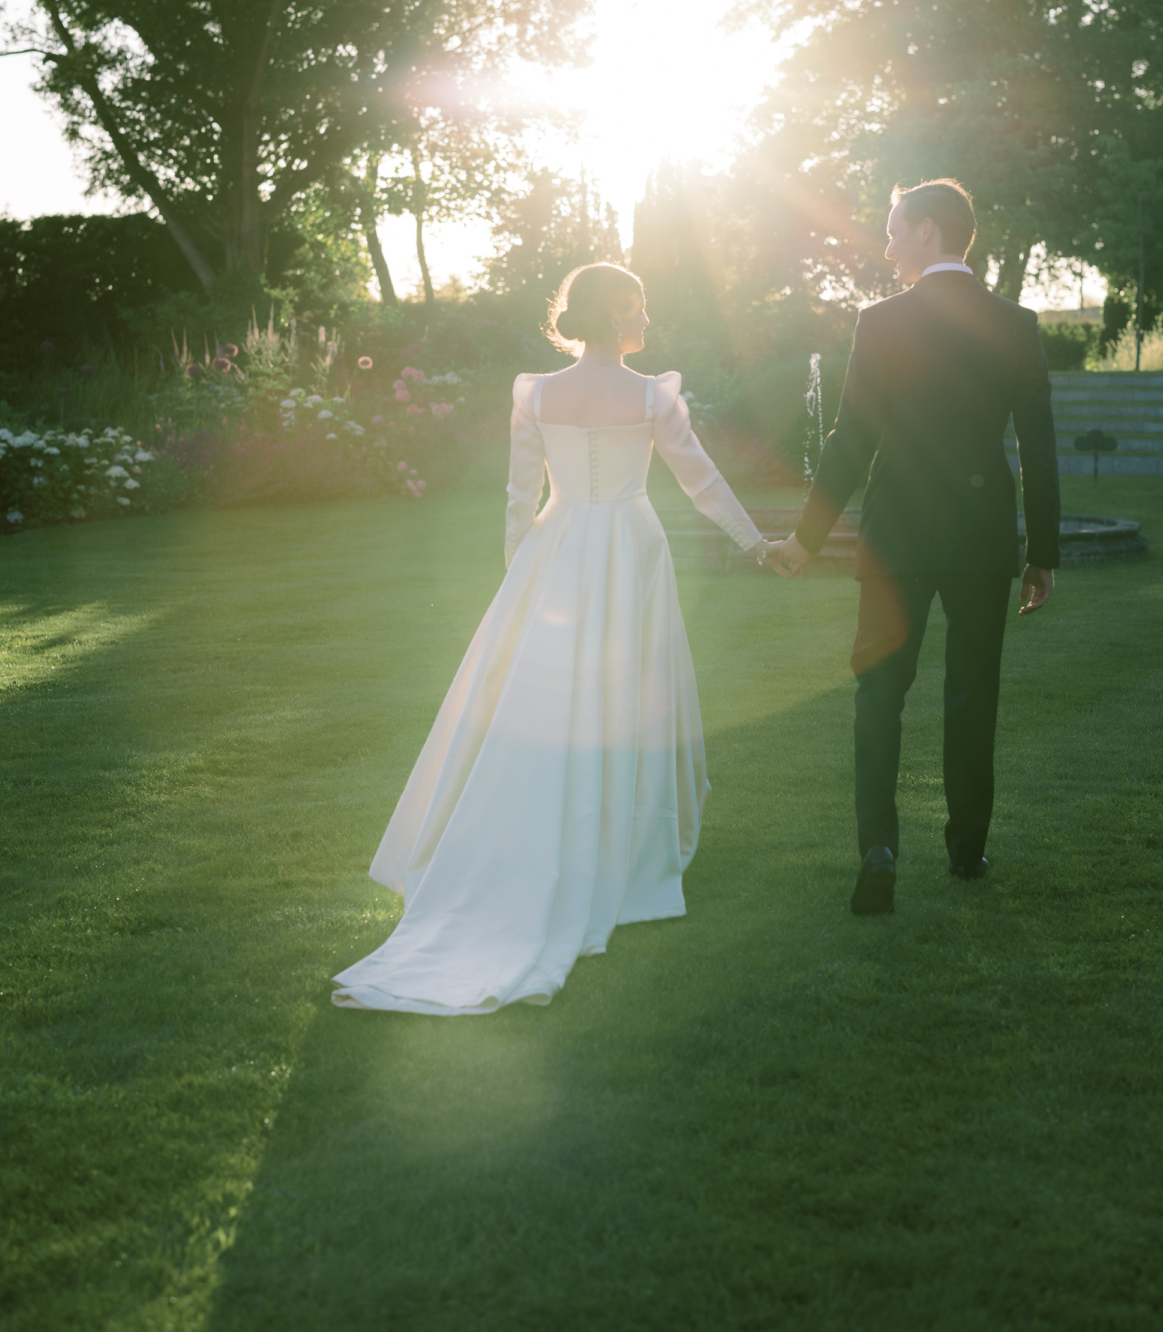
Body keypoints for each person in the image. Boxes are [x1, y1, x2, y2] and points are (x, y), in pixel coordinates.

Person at [332, 263, 771, 1014]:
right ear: (624, 313)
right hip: (630, 545)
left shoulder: (535, 391)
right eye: (641, 304)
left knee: (542, 700)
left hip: (556, 545)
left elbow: (518, 491)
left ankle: (536, 842)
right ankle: (619, 849)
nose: (646, 316)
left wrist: (521, 570)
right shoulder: (651, 394)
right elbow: (702, 481)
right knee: (626, 701)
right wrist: (759, 544)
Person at [768, 178, 1061, 914]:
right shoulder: (1016, 323)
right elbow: (1039, 448)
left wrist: (806, 539)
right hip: (981, 535)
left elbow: (849, 439)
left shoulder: (882, 321)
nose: (889, 242)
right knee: (972, 695)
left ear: (930, 231)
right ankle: (966, 851)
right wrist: (1043, 550)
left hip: (898, 536)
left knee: (879, 691)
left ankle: (880, 847)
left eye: (896, 229)